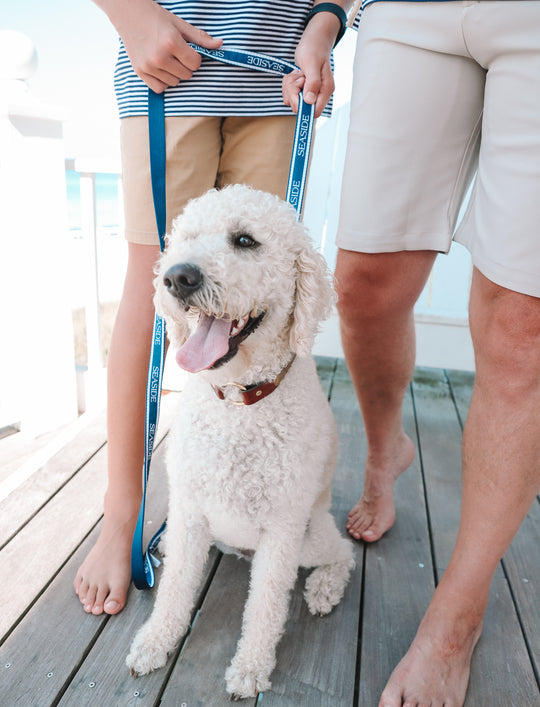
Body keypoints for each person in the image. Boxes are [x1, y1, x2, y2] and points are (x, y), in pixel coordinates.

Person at [284, 1, 540, 706]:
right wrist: (328, 17)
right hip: (410, 11)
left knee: (523, 323)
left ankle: (456, 622)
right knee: (363, 287)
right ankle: (382, 451)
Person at [74, 0, 343, 617]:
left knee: (252, 308)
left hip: (281, 79)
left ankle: (249, 503)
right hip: (165, 63)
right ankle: (122, 516)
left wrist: (325, 23)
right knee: (154, 289)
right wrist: (129, 15)